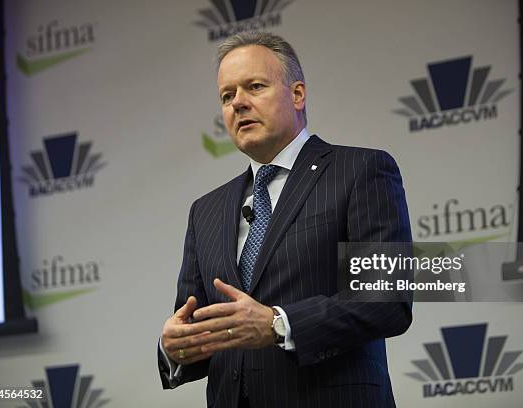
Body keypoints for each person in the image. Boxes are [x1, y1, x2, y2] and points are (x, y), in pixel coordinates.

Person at [158, 31, 412, 408]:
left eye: (254, 87)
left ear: (297, 95)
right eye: (227, 96)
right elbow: (198, 326)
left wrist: (280, 324)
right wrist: (175, 347)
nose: (238, 103)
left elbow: (387, 302)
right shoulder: (205, 211)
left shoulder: (361, 171)